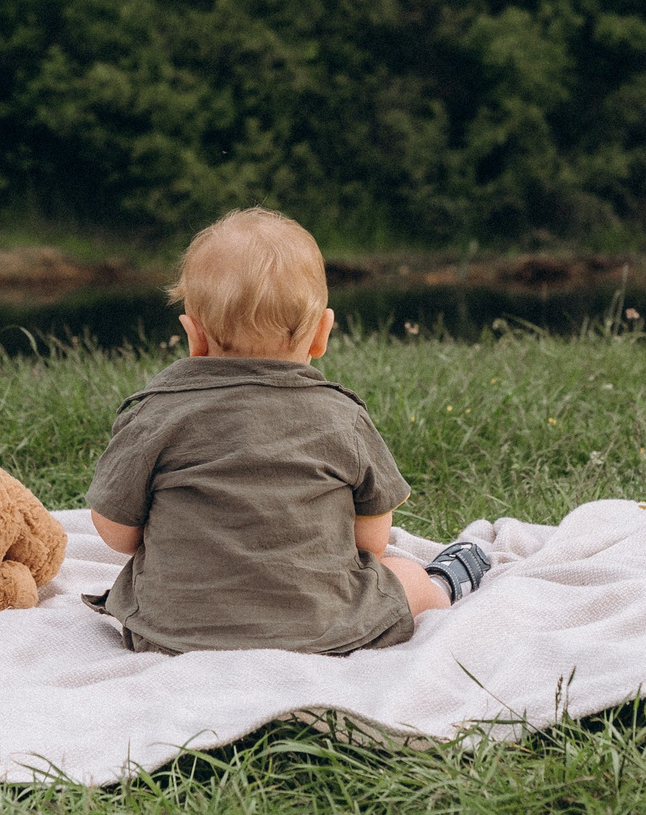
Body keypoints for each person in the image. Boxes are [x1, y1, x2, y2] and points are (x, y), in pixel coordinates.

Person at [86, 207, 491, 655]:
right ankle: (446, 585)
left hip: (170, 630)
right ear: (322, 334)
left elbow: (116, 533)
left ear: (192, 335)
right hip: (325, 627)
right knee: (406, 577)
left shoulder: (153, 415)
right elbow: (371, 542)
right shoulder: (342, 417)